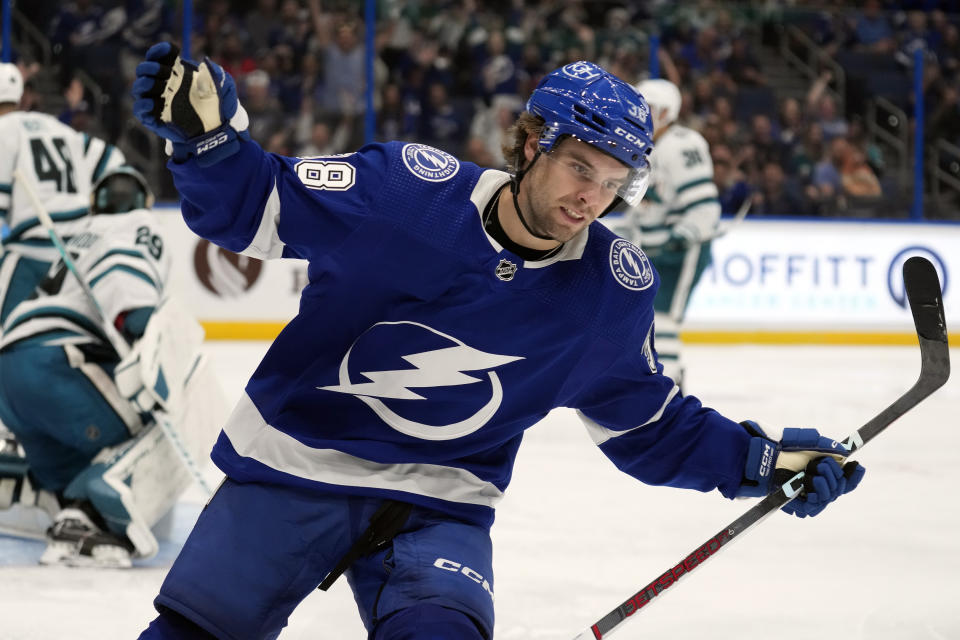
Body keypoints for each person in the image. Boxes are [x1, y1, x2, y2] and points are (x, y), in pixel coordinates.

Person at [131, 45, 865, 639]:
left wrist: (759, 459)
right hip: (293, 464)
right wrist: (211, 143)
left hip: (440, 504)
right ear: (530, 141)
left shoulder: (611, 292)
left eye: (612, 184)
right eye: (580, 167)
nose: (590, 198)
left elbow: (651, 426)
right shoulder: (406, 192)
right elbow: (259, 203)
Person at [0, 166, 197, 567]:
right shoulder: (140, 225)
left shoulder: (79, 235)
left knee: (76, 456)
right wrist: (139, 326)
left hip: (11, 376)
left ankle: (55, 498)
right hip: (55, 366)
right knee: (152, 426)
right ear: (142, 203)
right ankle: (92, 510)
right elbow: (124, 275)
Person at [608, 78, 722, 390]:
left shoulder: (683, 144)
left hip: (682, 250)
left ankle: (668, 383)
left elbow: (704, 206)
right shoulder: (644, 148)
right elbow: (641, 207)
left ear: (664, 112)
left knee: (665, 317)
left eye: (646, 107)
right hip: (654, 247)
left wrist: (682, 237)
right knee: (650, 317)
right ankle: (663, 378)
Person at [0, 62, 127, 326]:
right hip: (80, 250)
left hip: (32, 250)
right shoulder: (55, 126)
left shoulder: (4, 132)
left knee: (7, 331)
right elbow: (114, 161)